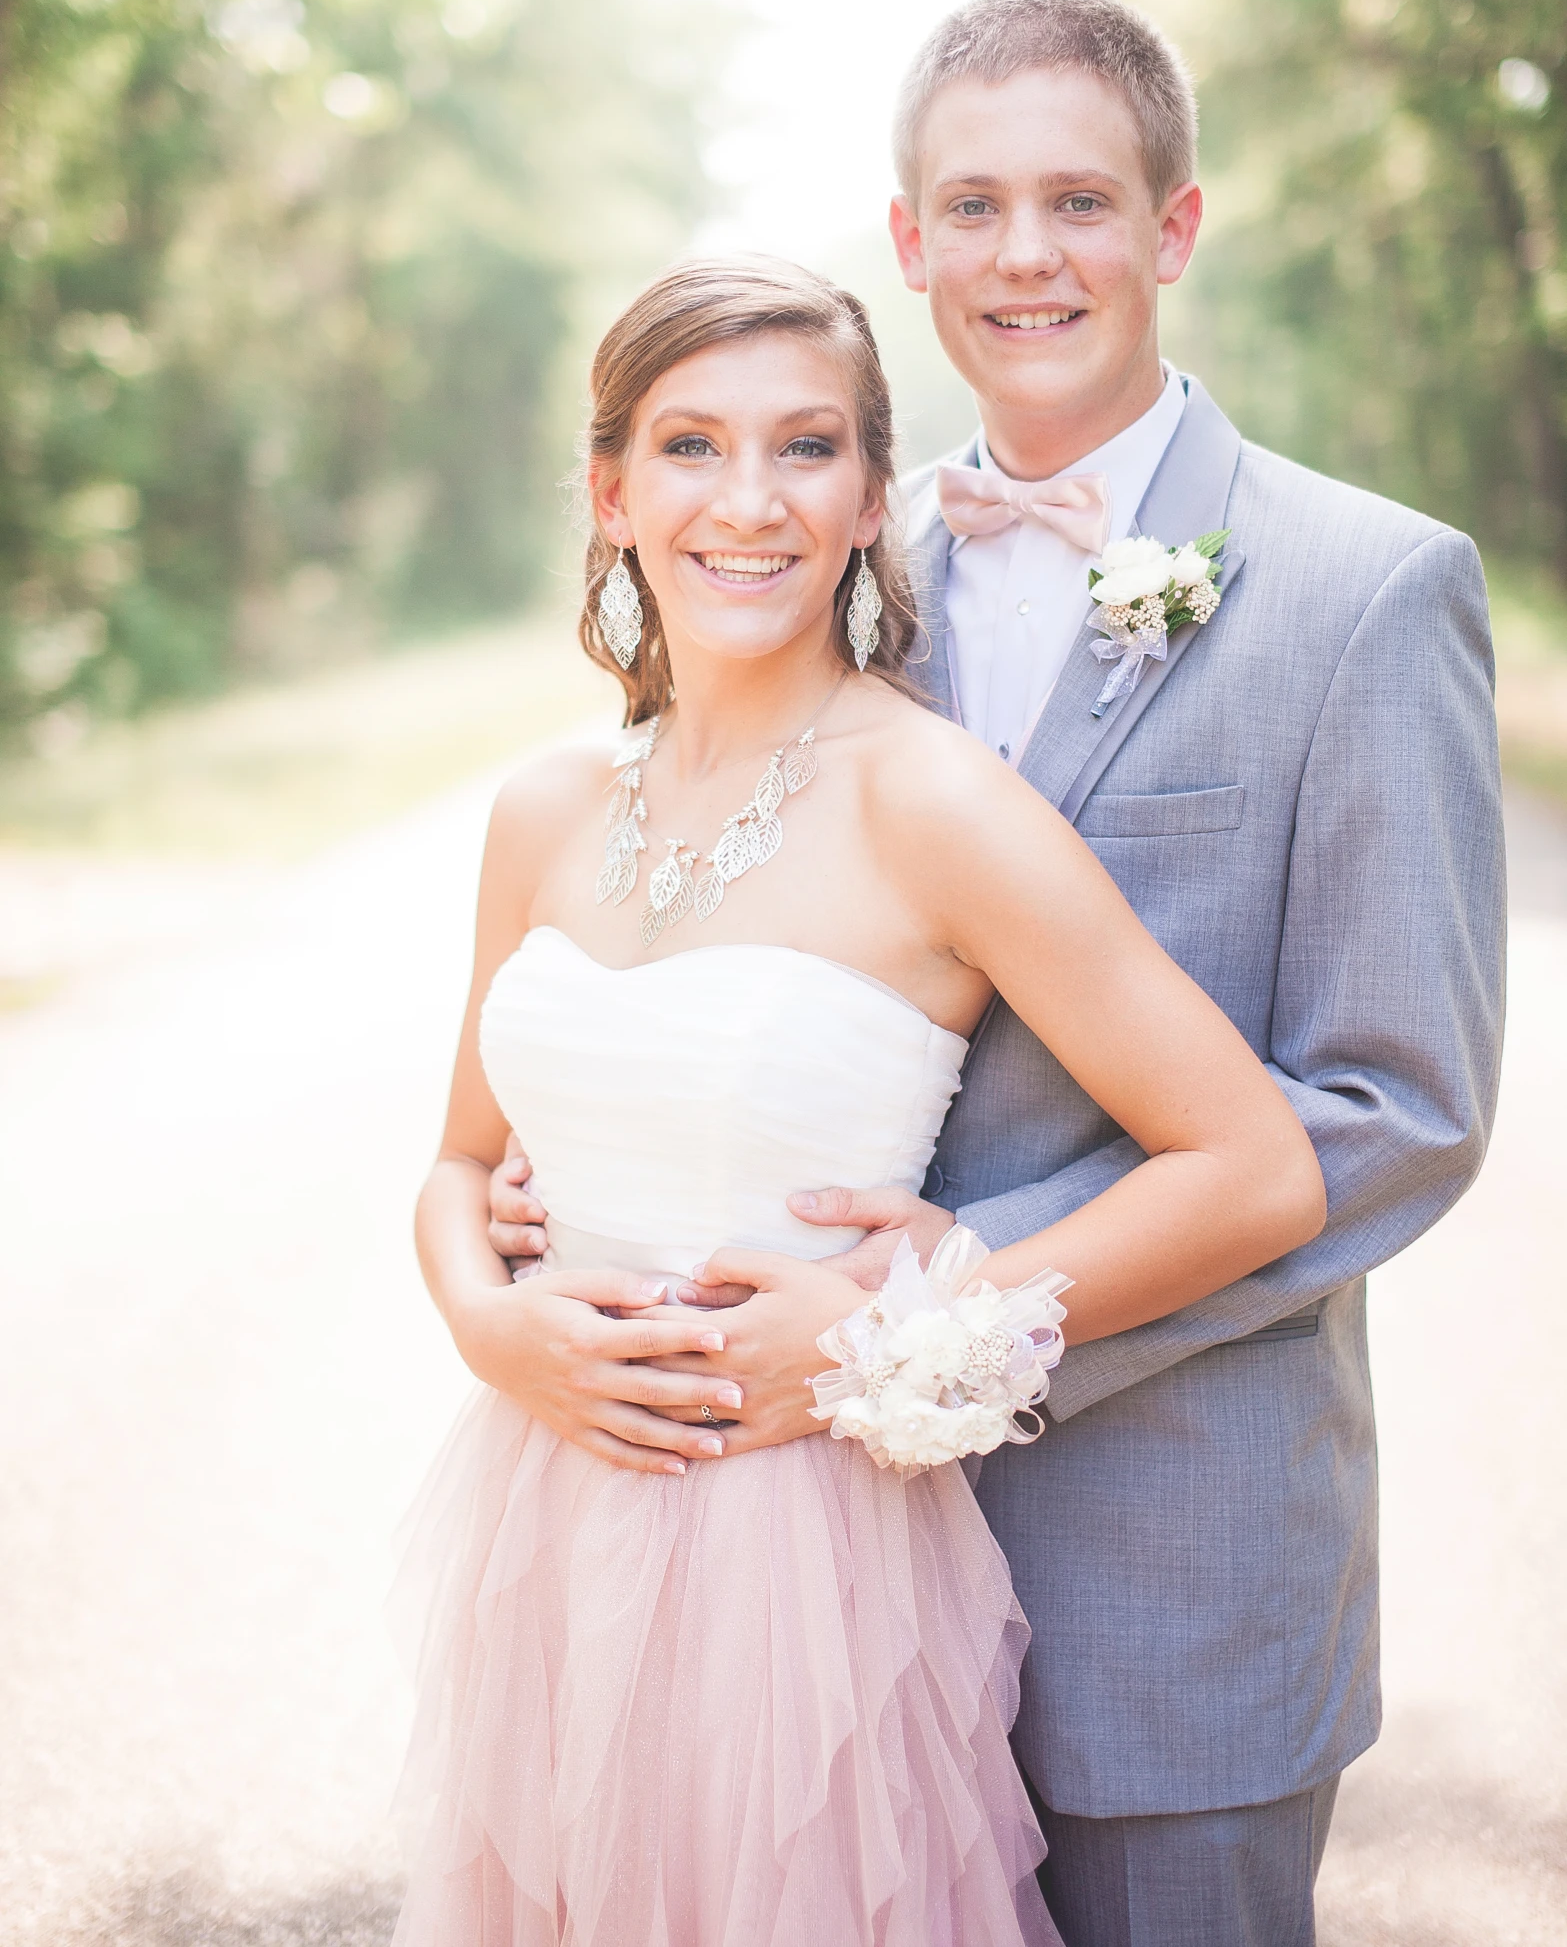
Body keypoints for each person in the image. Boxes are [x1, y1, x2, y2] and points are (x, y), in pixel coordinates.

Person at [490, 0, 1508, 1947]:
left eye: (1078, 201)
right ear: (911, 243)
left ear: (1174, 227)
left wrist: (924, 1312)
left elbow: (1394, 1115)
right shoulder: (838, 576)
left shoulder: (1366, 591)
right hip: (803, 1587)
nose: (1025, 255)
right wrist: (589, 1171)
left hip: (1169, 1575)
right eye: (973, 206)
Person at [393, 253, 1328, 1944]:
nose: (746, 501)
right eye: (689, 446)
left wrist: (893, 1324)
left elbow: (1253, 1166)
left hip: (790, 1568)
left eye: (804, 448)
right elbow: (459, 1166)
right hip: (542, 1518)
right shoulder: (538, 809)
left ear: (870, 498)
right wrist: (487, 1321)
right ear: (609, 491)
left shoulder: (932, 800)